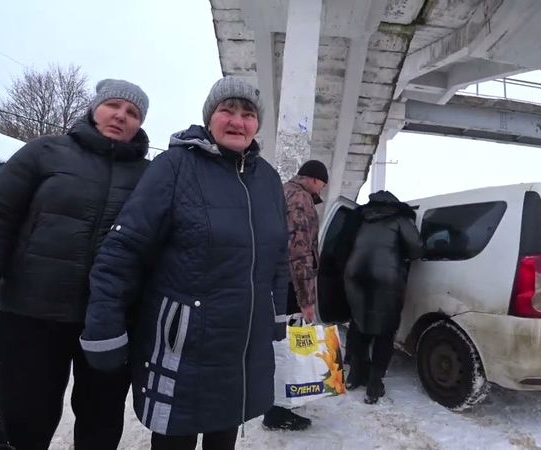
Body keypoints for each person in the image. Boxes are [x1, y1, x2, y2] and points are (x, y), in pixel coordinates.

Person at [80, 76, 289, 450]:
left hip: (240, 346)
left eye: (247, 114)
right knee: (175, 438)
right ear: (210, 118)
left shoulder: (269, 181)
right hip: (184, 341)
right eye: (227, 110)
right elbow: (124, 249)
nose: (237, 121)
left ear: (257, 125)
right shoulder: (175, 166)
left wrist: (276, 316)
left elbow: (278, 256)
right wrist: (104, 327)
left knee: (224, 435)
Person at [0, 79, 151, 450]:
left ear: (140, 124)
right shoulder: (43, 153)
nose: (121, 116)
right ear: (95, 108)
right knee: (24, 423)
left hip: (108, 324)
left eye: (132, 113)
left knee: (101, 425)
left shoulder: (148, 175)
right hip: (31, 316)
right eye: (113, 106)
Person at [262, 159, 328, 432]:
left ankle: (275, 404)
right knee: (287, 350)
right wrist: (306, 300)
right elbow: (299, 251)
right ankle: (278, 412)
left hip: (276, 282)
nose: (322, 188)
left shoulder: (282, 191)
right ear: (314, 179)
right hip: (290, 286)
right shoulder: (301, 199)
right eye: (322, 183)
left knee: (279, 347)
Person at [343, 190, 423, 404]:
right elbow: (416, 249)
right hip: (386, 279)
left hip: (355, 276)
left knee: (359, 324)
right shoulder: (400, 218)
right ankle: (374, 385)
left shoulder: (360, 218)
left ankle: (355, 376)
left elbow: (342, 243)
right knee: (384, 331)